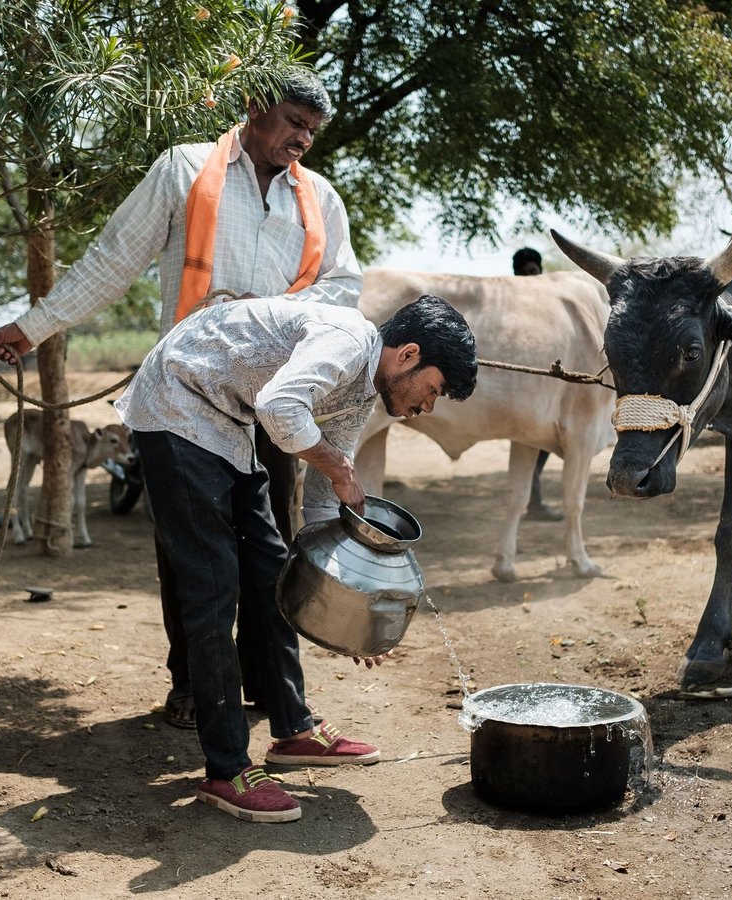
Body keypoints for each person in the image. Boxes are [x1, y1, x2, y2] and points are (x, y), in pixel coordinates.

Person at [0, 70, 360, 729]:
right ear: (255, 108)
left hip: (273, 405)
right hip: (183, 405)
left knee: (269, 551)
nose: (303, 137)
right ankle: (192, 687)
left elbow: (343, 291)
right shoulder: (183, 169)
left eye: (312, 129)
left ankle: (272, 688)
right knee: (192, 557)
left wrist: (268, 313)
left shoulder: (322, 200)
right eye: (293, 121)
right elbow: (112, 259)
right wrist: (32, 326)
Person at [114, 293, 477, 821]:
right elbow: (280, 406)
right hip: (176, 404)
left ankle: (292, 730)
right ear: (408, 354)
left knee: (271, 570)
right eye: (434, 389)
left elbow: (322, 504)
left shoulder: (359, 394)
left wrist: (347, 605)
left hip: (226, 423)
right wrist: (337, 464)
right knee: (214, 587)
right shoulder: (348, 342)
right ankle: (227, 770)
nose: (428, 406)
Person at [511, 247, 563, 522]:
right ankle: (530, 504)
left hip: (546, 388)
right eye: (527, 272)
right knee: (529, 445)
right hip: (523, 391)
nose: (533, 276)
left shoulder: (550, 301)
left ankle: (531, 502)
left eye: (536, 271)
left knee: (538, 449)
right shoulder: (514, 301)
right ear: (518, 274)